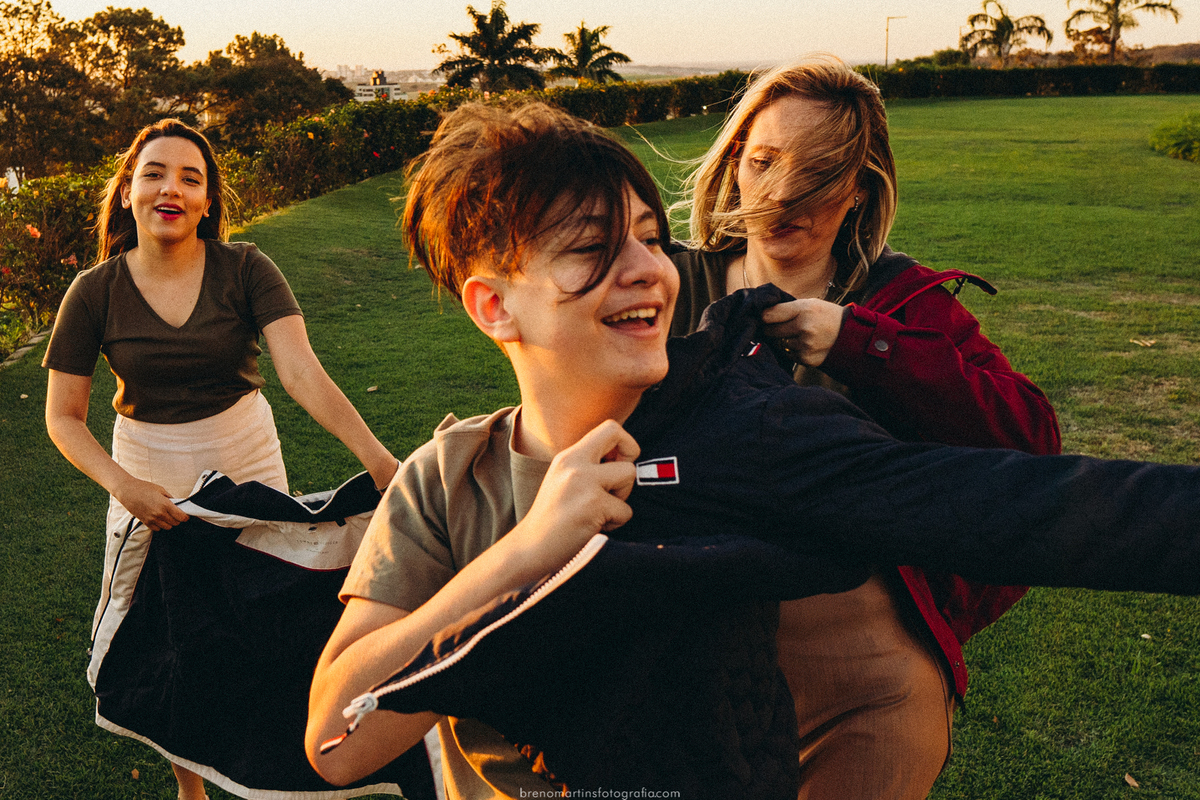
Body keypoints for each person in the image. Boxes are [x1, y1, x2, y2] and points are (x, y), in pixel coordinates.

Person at [306, 101, 1200, 798]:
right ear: (494, 305)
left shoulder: (744, 434)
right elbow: (337, 741)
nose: (648, 271)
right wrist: (532, 549)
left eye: (651, 241)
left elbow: (1028, 502)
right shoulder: (445, 481)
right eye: (591, 249)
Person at [671, 55, 1060, 799]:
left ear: (858, 187)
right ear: (733, 168)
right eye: (764, 162)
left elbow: (1032, 442)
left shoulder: (901, 303)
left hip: (867, 677)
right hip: (682, 662)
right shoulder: (664, 283)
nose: (784, 197)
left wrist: (862, 345)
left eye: (820, 173)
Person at [42, 118, 399, 800]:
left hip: (245, 456)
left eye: (190, 177)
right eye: (153, 173)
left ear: (209, 201)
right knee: (166, 632)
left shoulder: (247, 268)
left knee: (253, 618)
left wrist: (378, 459)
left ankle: (259, 769)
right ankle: (191, 785)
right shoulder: (94, 290)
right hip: (148, 467)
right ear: (126, 193)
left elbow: (300, 373)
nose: (170, 188)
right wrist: (126, 486)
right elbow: (62, 417)